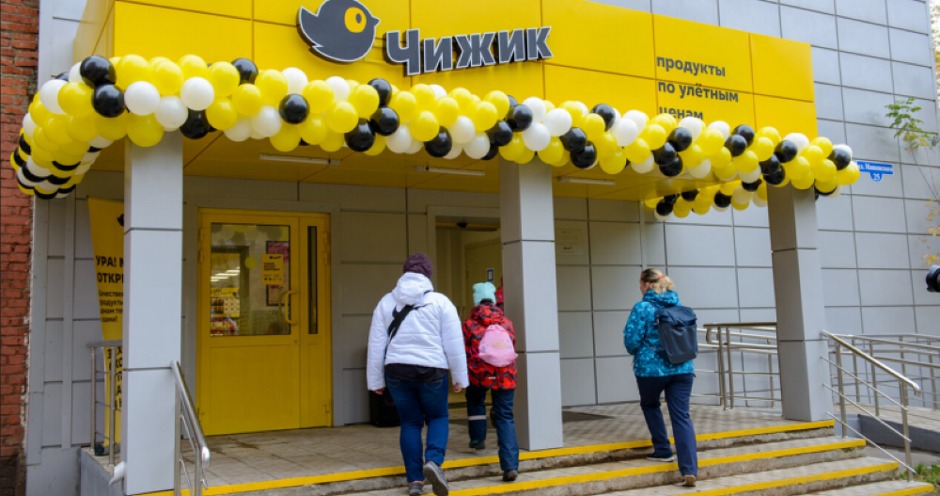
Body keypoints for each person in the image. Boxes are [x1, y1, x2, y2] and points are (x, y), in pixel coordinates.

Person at [367, 253, 469, 496]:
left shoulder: (386, 302)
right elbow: (454, 343)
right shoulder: (441, 302)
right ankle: (433, 461)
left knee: (410, 422)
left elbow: (376, 344)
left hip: (397, 369)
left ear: (405, 273)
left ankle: (414, 481)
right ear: (428, 274)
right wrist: (459, 377)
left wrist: (375, 381)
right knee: (438, 416)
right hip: (432, 370)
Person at [623, 268, 698, 488]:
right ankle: (689, 470)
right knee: (682, 416)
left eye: (640, 284)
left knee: (650, 404)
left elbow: (631, 341)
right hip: (683, 368)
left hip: (651, 370)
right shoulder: (679, 305)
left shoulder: (643, 307)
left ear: (646, 284)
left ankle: (663, 450)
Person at [462, 282, 520, 482]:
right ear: (494, 301)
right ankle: (510, 466)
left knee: (475, 399)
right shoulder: (507, 322)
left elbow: (465, 350)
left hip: (479, 374)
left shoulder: (469, 323)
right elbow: (512, 346)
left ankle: (478, 438)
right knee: (505, 416)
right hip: (505, 374)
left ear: (476, 301)